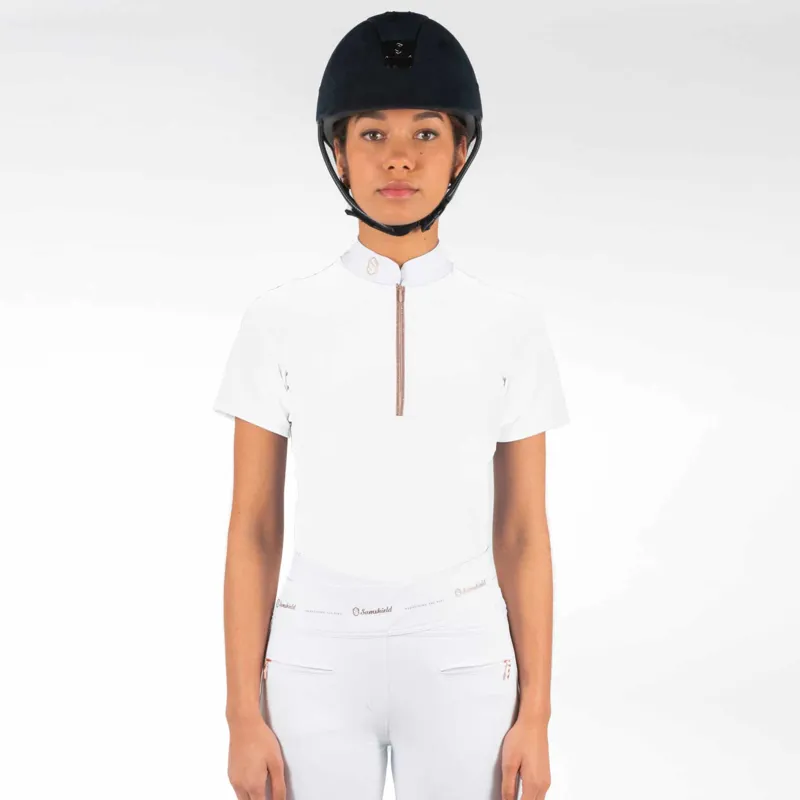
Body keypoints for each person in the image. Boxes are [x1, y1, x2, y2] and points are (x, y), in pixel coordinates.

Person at [213, 11, 569, 800]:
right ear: (338, 152)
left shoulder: (510, 325)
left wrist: (537, 714)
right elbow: (254, 528)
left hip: (463, 656)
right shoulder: (278, 319)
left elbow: (522, 533)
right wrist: (241, 714)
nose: (399, 156)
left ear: (461, 150)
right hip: (313, 658)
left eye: (426, 133)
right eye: (372, 133)